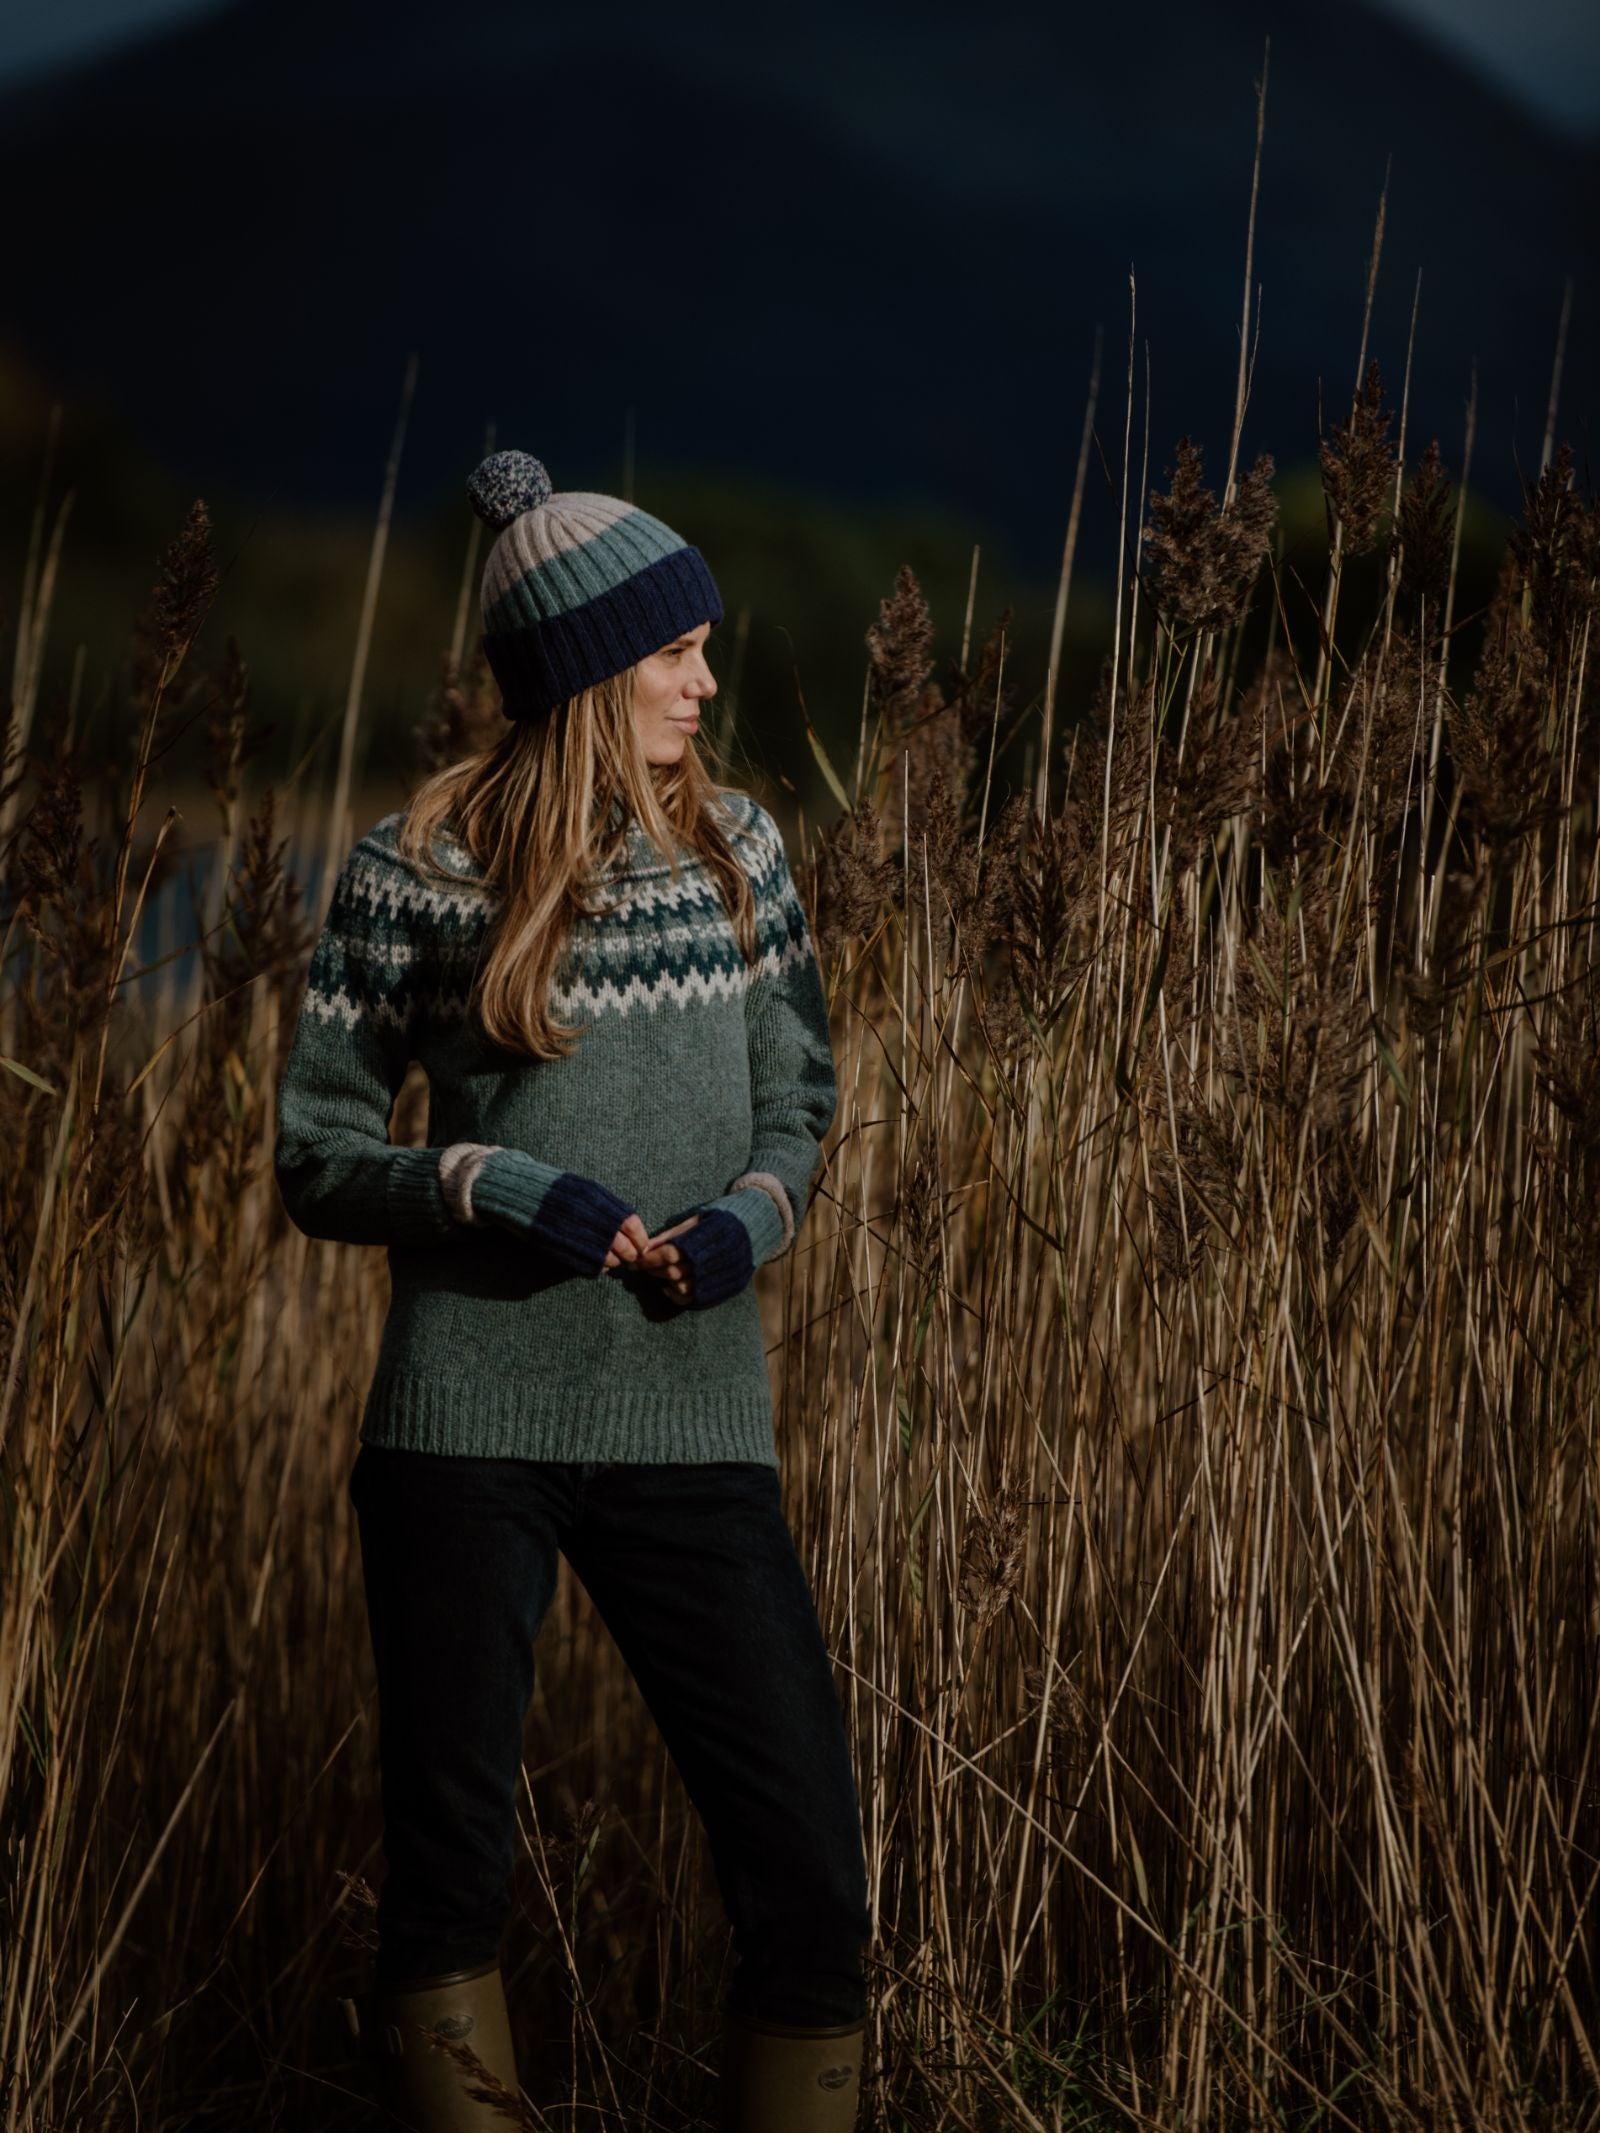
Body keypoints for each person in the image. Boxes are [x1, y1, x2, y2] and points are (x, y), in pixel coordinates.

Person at [272, 450, 871, 2133]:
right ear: (589, 670)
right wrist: (489, 1184)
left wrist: (754, 1216)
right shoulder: (418, 865)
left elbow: (800, 1106)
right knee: (448, 1893)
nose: (705, 676)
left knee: (812, 1890)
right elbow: (317, 1153)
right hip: (464, 1426)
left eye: (703, 646)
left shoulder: (742, 847)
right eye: (674, 650)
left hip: (693, 1421)